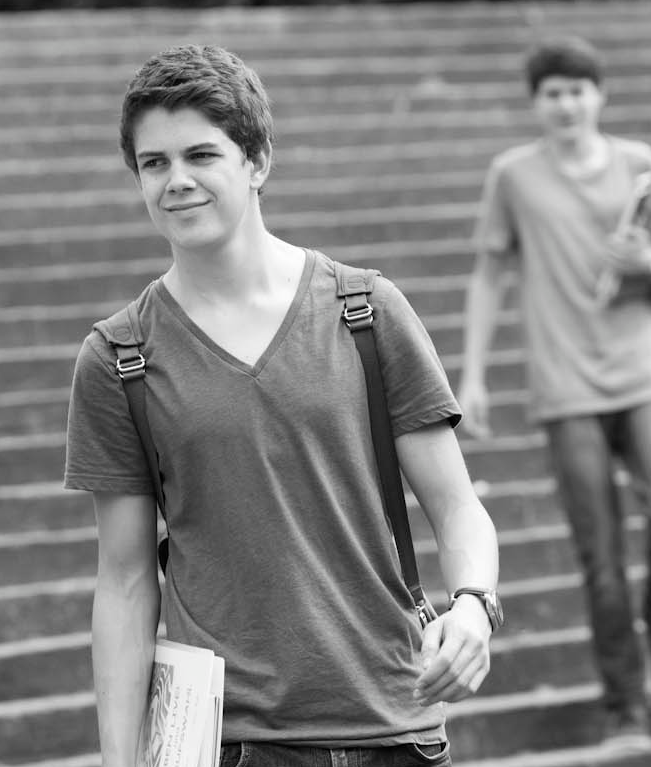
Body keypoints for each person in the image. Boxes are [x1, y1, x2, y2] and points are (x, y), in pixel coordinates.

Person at [64, 44, 502, 767]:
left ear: (257, 161)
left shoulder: (366, 312)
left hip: (397, 727)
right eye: (154, 163)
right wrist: (121, 759)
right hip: (236, 741)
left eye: (202, 155)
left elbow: (458, 509)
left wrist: (474, 604)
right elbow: (126, 579)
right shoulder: (119, 357)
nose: (177, 180)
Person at [458, 36, 651, 748]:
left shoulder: (642, 165)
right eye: (552, 93)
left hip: (643, 374)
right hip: (566, 386)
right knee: (601, 557)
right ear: (536, 103)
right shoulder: (514, 175)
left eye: (577, 90)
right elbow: (489, 275)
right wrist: (472, 374)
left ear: (600, 95)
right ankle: (626, 705)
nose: (566, 105)